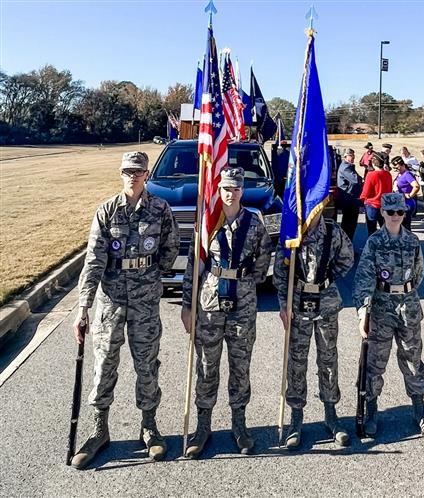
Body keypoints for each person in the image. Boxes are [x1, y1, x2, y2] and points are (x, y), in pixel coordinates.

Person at [71, 152, 180, 469]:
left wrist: (152, 275)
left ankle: (149, 427)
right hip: (111, 303)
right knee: (104, 365)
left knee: (147, 365)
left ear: (146, 174)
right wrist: (83, 307)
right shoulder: (106, 211)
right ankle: (98, 429)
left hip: (145, 302)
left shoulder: (160, 209)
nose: (132, 175)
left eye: (138, 170)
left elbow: (171, 247)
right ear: (121, 174)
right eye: (127, 171)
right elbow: (93, 262)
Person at [181, 166, 272, 458]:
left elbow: (263, 260)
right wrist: (187, 305)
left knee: (240, 366)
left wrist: (244, 282)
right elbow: (194, 266)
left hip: (242, 305)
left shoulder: (255, 224)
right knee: (207, 366)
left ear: (242, 191)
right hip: (209, 303)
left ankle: (239, 425)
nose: (229, 193)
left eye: (235, 188)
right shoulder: (209, 222)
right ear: (218, 190)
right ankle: (202, 426)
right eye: (225, 188)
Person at [352, 193, 424, 440]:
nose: (396, 217)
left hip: (408, 306)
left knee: (413, 358)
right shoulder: (375, 242)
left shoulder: (412, 240)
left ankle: (420, 412)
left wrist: (405, 292)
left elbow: (419, 273)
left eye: (400, 212)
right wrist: (362, 314)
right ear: (382, 214)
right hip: (381, 307)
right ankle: (371, 413)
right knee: (376, 361)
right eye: (391, 212)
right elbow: (364, 278)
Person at [273, 212, 354, 449]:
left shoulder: (332, 231)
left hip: (326, 303)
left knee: (328, 359)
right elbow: (280, 271)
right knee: (296, 361)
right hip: (297, 302)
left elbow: (346, 259)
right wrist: (283, 303)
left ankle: (331, 415)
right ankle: (296, 418)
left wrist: (325, 279)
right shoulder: (292, 230)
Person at [359, 152, 393, 236]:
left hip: (372, 204)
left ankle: (373, 247)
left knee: (372, 230)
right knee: (385, 229)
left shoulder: (371, 175)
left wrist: (361, 200)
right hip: (385, 205)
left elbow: (366, 192)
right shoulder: (388, 174)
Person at [337, 148, 363, 242]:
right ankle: (346, 244)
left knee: (350, 225)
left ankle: (347, 243)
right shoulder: (346, 167)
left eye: (353, 155)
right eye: (350, 155)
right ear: (345, 156)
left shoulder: (349, 166)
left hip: (351, 199)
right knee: (349, 225)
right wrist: (361, 179)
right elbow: (356, 180)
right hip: (349, 199)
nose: (353, 157)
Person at [391, 156, 420, 231]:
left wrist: (410, 195)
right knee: (400, 226)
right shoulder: (400, 174)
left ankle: (407, 242)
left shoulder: (407, 174)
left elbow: (416, 186)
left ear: (402, 165)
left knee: (405, 226)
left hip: (407, 204)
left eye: (397, 167)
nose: (396, 169)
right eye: (394, 168)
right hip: (400, 203)